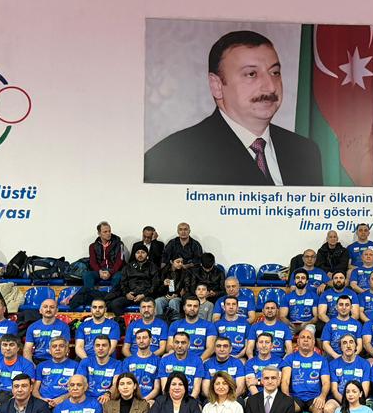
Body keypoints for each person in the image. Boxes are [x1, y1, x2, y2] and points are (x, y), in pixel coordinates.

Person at [143, 29, 324, 185]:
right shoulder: (172, 158)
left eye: (275, 72)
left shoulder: (305, 151)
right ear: (217, 85)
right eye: (251, 74)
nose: (270, 86)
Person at [282, 326, 329, 413]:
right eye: (303, 337)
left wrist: (322, 396)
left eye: (309, 338)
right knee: (285, 408)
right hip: (295, 397)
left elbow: (326, 382)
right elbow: (285, 381)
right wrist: (286, 396)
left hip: (314, 397)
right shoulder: (290, 358)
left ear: (313, 342)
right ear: (298, 341)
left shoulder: (322, 360)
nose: (306, 340)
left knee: (319, 410)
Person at [325, 334, 370, 413]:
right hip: (339, 400)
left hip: (358, 400)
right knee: (328, 409)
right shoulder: (333, 364)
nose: (348, 345)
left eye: (351, 342)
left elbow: (365, 390)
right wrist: (346, 402)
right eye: (344, 343)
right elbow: (334, 390)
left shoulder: (364, 363)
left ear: (356, 346)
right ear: (341, 347)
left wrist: (354, 403)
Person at [109, 243, 162, 315]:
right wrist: (127, 293)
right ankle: (123, 321)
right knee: (115, 304)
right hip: (131, 295)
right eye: (138, 253)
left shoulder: (153, 267)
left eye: (143, 252)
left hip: (147, 296)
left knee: (150, 305)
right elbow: (123, 283)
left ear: (147, 254)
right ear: (135, 254)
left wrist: (144, 295)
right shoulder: (128, 267)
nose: (140, 255)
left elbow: (155, 284)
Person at [0, 334, 35, 406]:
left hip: (18, 399)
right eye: (4, 345)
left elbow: (28, 387)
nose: (7, 348)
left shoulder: (27, 365)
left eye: (11, 345)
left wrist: (12, 402)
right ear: (0, 348)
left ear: (18, 348)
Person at [157, 332, 207, 399]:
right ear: (173, 343)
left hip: (191, 399)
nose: (179, 346)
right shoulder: (164, 361)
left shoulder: (197, 361)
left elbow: (196, 390)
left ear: (188, 344)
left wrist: (188, 403)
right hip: (170, 400)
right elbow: (165, 389)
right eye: (177, 342)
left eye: (183, 343)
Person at [36, 337, 81, 406]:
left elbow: (80, 388)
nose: (57, 349)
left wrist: (63, 398)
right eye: (54, 346)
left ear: (67, 349)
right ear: (50, 350)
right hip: (44, 403)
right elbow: (35, 390)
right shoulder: (41, 365)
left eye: (61, 346)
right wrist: (42, 399)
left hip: (67, 402)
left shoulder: (76, 366)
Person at [23, 298, 70, 363]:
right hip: (37, 360)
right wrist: (30, 365)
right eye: (45, 307)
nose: (48, 309)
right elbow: (27, 349)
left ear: (56, 310)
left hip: (56, 361)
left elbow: (65, 348)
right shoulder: (32, 327)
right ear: (40, 310)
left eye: (52, 307)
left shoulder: (64, 327)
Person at [123, 328, 163, 401]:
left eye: (144, 338)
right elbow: (124, 385)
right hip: (130, 400)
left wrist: (144, 400)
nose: (141, 340)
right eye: (138, 338)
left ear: (150, 340)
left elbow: (157, 388)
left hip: (149, 400)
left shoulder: (158, 361)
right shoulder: (127, 361)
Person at [85, 221, 125, 289]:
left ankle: (113, 294)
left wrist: (110, 272)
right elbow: (93, 262)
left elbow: (120, 261)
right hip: (100, 271)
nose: (108, 233)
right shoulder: (93, 246)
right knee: (87, 275)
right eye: (105, 232)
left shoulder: (119, 244)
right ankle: (90, 294)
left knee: (119, 276)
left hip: (114, 271)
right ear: (99, 233)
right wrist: (99, 271)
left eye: (109, 231)